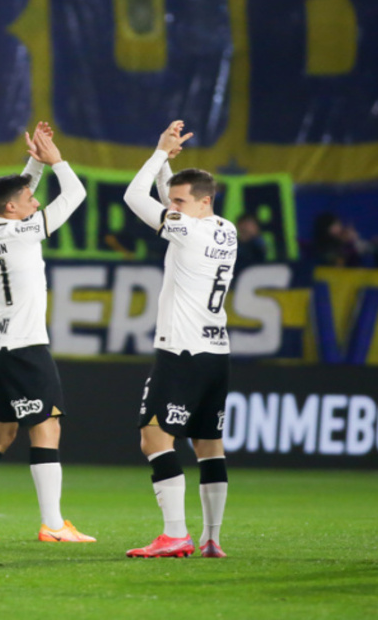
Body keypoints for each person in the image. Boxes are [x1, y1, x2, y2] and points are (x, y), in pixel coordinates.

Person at [0, 123, 95, 544]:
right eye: (30, 200)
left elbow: (14, 197)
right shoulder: (22, 232)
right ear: (14, 209)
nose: (36, 201)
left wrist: (34, 162)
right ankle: (54, 524)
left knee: (0, 433)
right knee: (47, 428)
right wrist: (57, 159)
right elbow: (76, 196)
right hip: (25, 347)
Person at [122, 120, 237, 559]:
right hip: (216, 352)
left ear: (203, 203)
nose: (171, 207)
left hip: (182, 351)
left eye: (178, 202)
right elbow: (172, 196)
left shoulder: (188, 229)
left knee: (154, 438)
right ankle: (211, 539)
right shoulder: (223, 229)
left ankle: (174, 534)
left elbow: (134, 198)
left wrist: (156, 154)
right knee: (209, 445)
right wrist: (168, 163)